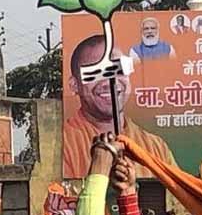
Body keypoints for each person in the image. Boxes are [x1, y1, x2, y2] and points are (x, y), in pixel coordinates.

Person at [62, 35, 178, 179]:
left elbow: (176, 192)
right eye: (95, 72)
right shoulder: (63, 144)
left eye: (119, 69)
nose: (110, 82)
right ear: (74, 85)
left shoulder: (155, 146)